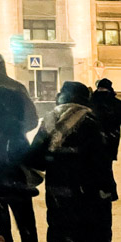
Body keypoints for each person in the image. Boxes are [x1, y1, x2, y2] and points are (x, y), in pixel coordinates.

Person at [30, 81, 105, 242]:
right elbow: (101, 162)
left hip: (57, 190)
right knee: (84, 232)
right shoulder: (92, 122)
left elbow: (35, 159)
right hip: (86, 190)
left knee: (58, 230)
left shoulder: (49, 121)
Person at [0, 52, 39, 242]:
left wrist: (12, 132)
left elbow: (31, 119)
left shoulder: (16, 88)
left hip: (13, 157)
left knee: (21, 215)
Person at [91, 78, 121, 241]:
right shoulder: (116, 103)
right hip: (110, 141)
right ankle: (109, 191)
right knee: (106, 165)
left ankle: (101, 188)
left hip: (93, 141)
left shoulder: (91, 100)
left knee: (95, 165)